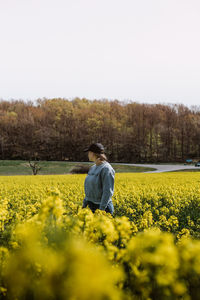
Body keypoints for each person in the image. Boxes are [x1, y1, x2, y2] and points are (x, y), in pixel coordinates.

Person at [82, 143, 115, 215]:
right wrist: (84, 204)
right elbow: (89, 188)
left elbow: (107, 192)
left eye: (89, 152)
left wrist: (101, 210)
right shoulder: (93, 168)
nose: (88, 154)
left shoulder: (106, 169)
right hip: (91, 206)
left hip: (103, 208)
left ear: (93, 153)